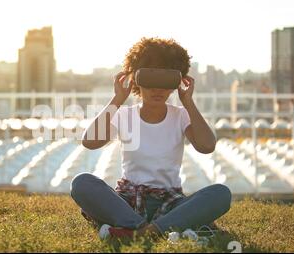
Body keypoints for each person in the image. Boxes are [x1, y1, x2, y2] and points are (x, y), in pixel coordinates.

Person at [70, 37, 231, 240]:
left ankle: (138, 232)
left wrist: (188, 102)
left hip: (170, 201)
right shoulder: (124, 115)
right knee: (82, 182)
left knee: (221, 194)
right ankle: (157, 229)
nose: (157, 89)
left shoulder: (181, 115)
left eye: (165, 82)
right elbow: (89, 142)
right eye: (150, 80)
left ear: (176, 81)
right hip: (127, 200)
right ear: (137, 79)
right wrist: (118, 98)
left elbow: (207, 146)